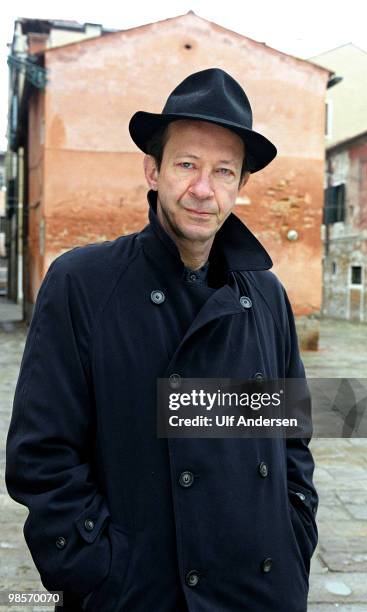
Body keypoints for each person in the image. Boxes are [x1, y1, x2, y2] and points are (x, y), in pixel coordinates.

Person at [5, 67, 319, 612]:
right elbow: (41, 456)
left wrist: (294, 536)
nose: (204, 188)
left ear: (241, 185)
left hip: (262, 591)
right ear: (153, 170)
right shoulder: (83, 283)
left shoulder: (267, 294)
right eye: (186, 164)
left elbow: (291, 438)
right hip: (140, 594)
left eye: (224, 170)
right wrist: (99, 570)